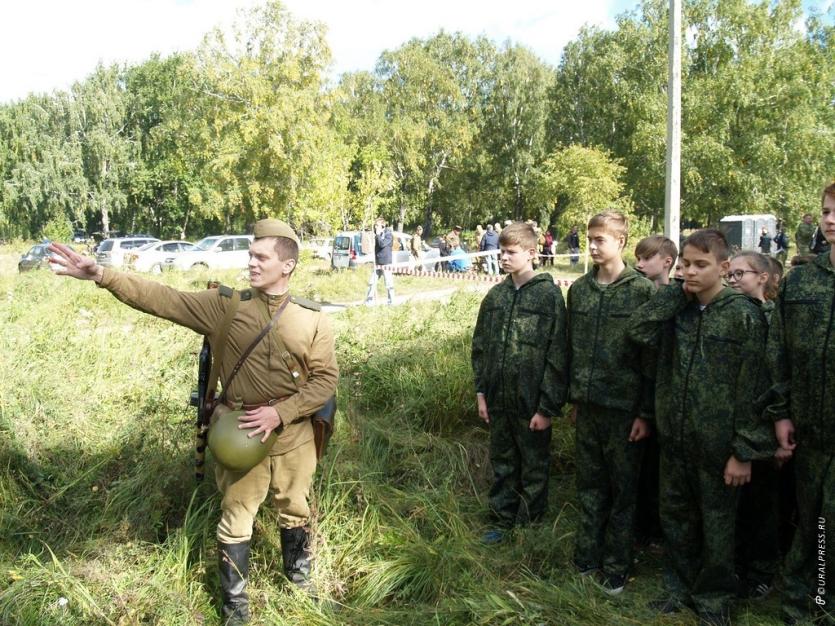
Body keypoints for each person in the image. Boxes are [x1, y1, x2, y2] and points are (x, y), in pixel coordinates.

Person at [48, 219, 338, 624]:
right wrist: (101, 274)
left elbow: (326, 380)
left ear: (287, 266)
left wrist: (281, 412)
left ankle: (299, 580)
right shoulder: (227, 306)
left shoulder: (313, 320)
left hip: (294, 436)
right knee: (237, 516)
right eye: (251, 254)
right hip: (241, 437)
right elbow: (162, 298)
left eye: (261, 257)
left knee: (295, 505)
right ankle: (235, 608)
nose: (251, 262)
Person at [629, 229, 774, 625]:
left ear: (725, 268)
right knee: (676, 518)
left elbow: (756, 389)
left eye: (700, 265)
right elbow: (638, 330)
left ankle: (714, 599)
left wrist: (743, 451)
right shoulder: (680, 311)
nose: (689, 272)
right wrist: (679, 293)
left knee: (718, 527)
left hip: (720, 447)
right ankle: (678, 588)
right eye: (685, 265)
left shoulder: (744, 315)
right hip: (676, 439)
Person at [567, 211, 655, 594]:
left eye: (600, 239)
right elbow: (571, 347)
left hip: (624, 412)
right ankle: (586, 559)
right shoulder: (580, 290)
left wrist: (645, 412)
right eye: (590, 238)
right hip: (587, 407)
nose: (592, 245)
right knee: (589, 486)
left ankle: (616, 567)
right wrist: (572, 397)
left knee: (623, 492)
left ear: (621, 241)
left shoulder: (642, 291)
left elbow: (652, 359)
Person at [764, 183, 835, 626]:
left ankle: (824, 600)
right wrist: (782, 413)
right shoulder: (802, 280)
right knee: (810, 519)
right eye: (827, 211)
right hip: (809, 429)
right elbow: (779, 352)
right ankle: (798, 603)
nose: (831, 220)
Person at [471, 222, 568, 544]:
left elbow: (558, 354)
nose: (503, 257)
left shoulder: (548, 296)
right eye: (501, 251)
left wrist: (547, 406)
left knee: (534, 467)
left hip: (532, 403)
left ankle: (530, 528)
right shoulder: (496, 296)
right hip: (499, 400)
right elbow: (481, 346)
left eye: (511, 252)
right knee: (503, 463)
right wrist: (481, 392)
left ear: (530, 253)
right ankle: (501, 519)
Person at [726, 252, 783, 599]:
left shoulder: (775, 318)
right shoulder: (729, 314)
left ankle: (760, 572)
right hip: (732, 424)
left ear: (763, 277)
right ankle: (734, 566)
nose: (732, 280)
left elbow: (778, 375)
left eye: (739, 274)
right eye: (728, 274)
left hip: (764, 426)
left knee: (763, 505)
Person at [632, 235, 678, 550]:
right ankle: (644, 528)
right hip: (638, 394)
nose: (639, 263)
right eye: (638, 257)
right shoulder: (637, 295)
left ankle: (662, 531)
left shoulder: (680, 297)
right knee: (643, 470)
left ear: (667, 261)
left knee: (666, 472)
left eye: (647, 258)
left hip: (669, 397)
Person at [365, 217, 395, 305]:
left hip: (386, 262)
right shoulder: (376, 234)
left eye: (377, 225)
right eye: (375, 225)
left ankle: (391, 302)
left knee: (388, 283)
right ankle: (369, 302)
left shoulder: (388, 234)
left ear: (383, 225)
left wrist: (378, 235)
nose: (375, 227)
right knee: (372, 282)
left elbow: (382, 244)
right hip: (377, 263)